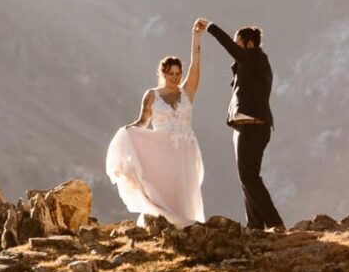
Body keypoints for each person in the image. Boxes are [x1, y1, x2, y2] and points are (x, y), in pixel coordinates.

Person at [105, 22, 206, 225]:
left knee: (184, 188)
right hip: (162, 149)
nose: (176, 78)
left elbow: (195, 64)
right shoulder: (152, 95)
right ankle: (164, 223)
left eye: (178, 74)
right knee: (164, 187)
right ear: (163, 73)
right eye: (171, 74)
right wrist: (128, 132)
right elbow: (143, 122)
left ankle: (184, 225)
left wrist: (196, 38)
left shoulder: (187, 92)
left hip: (185, 148)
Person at [200, 19, 285, 230]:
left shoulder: (255, 59)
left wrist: (210, 27)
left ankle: (274, 222)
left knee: (249, 176)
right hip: (246, 126)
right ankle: (255, 225)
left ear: (248, 44)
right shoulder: (252, 63)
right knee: (246, 177)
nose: (236, 47)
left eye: (239, 44)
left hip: (252, 126)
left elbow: (227, 44)